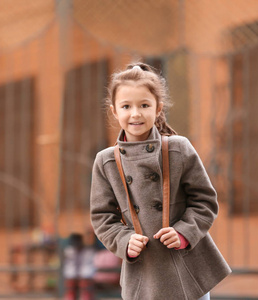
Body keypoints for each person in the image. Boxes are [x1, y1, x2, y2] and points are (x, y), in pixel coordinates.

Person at [90, 62, 231, 300]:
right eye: (126, 106)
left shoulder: (179, 148)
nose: (135, 113)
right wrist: (124, 241)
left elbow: (205, 201)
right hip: (144, 273)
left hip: (188, 269)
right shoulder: (105, 162)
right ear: (115, 111)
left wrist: (184, 233)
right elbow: (102, 217)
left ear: (158, 109)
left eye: (144, 105)